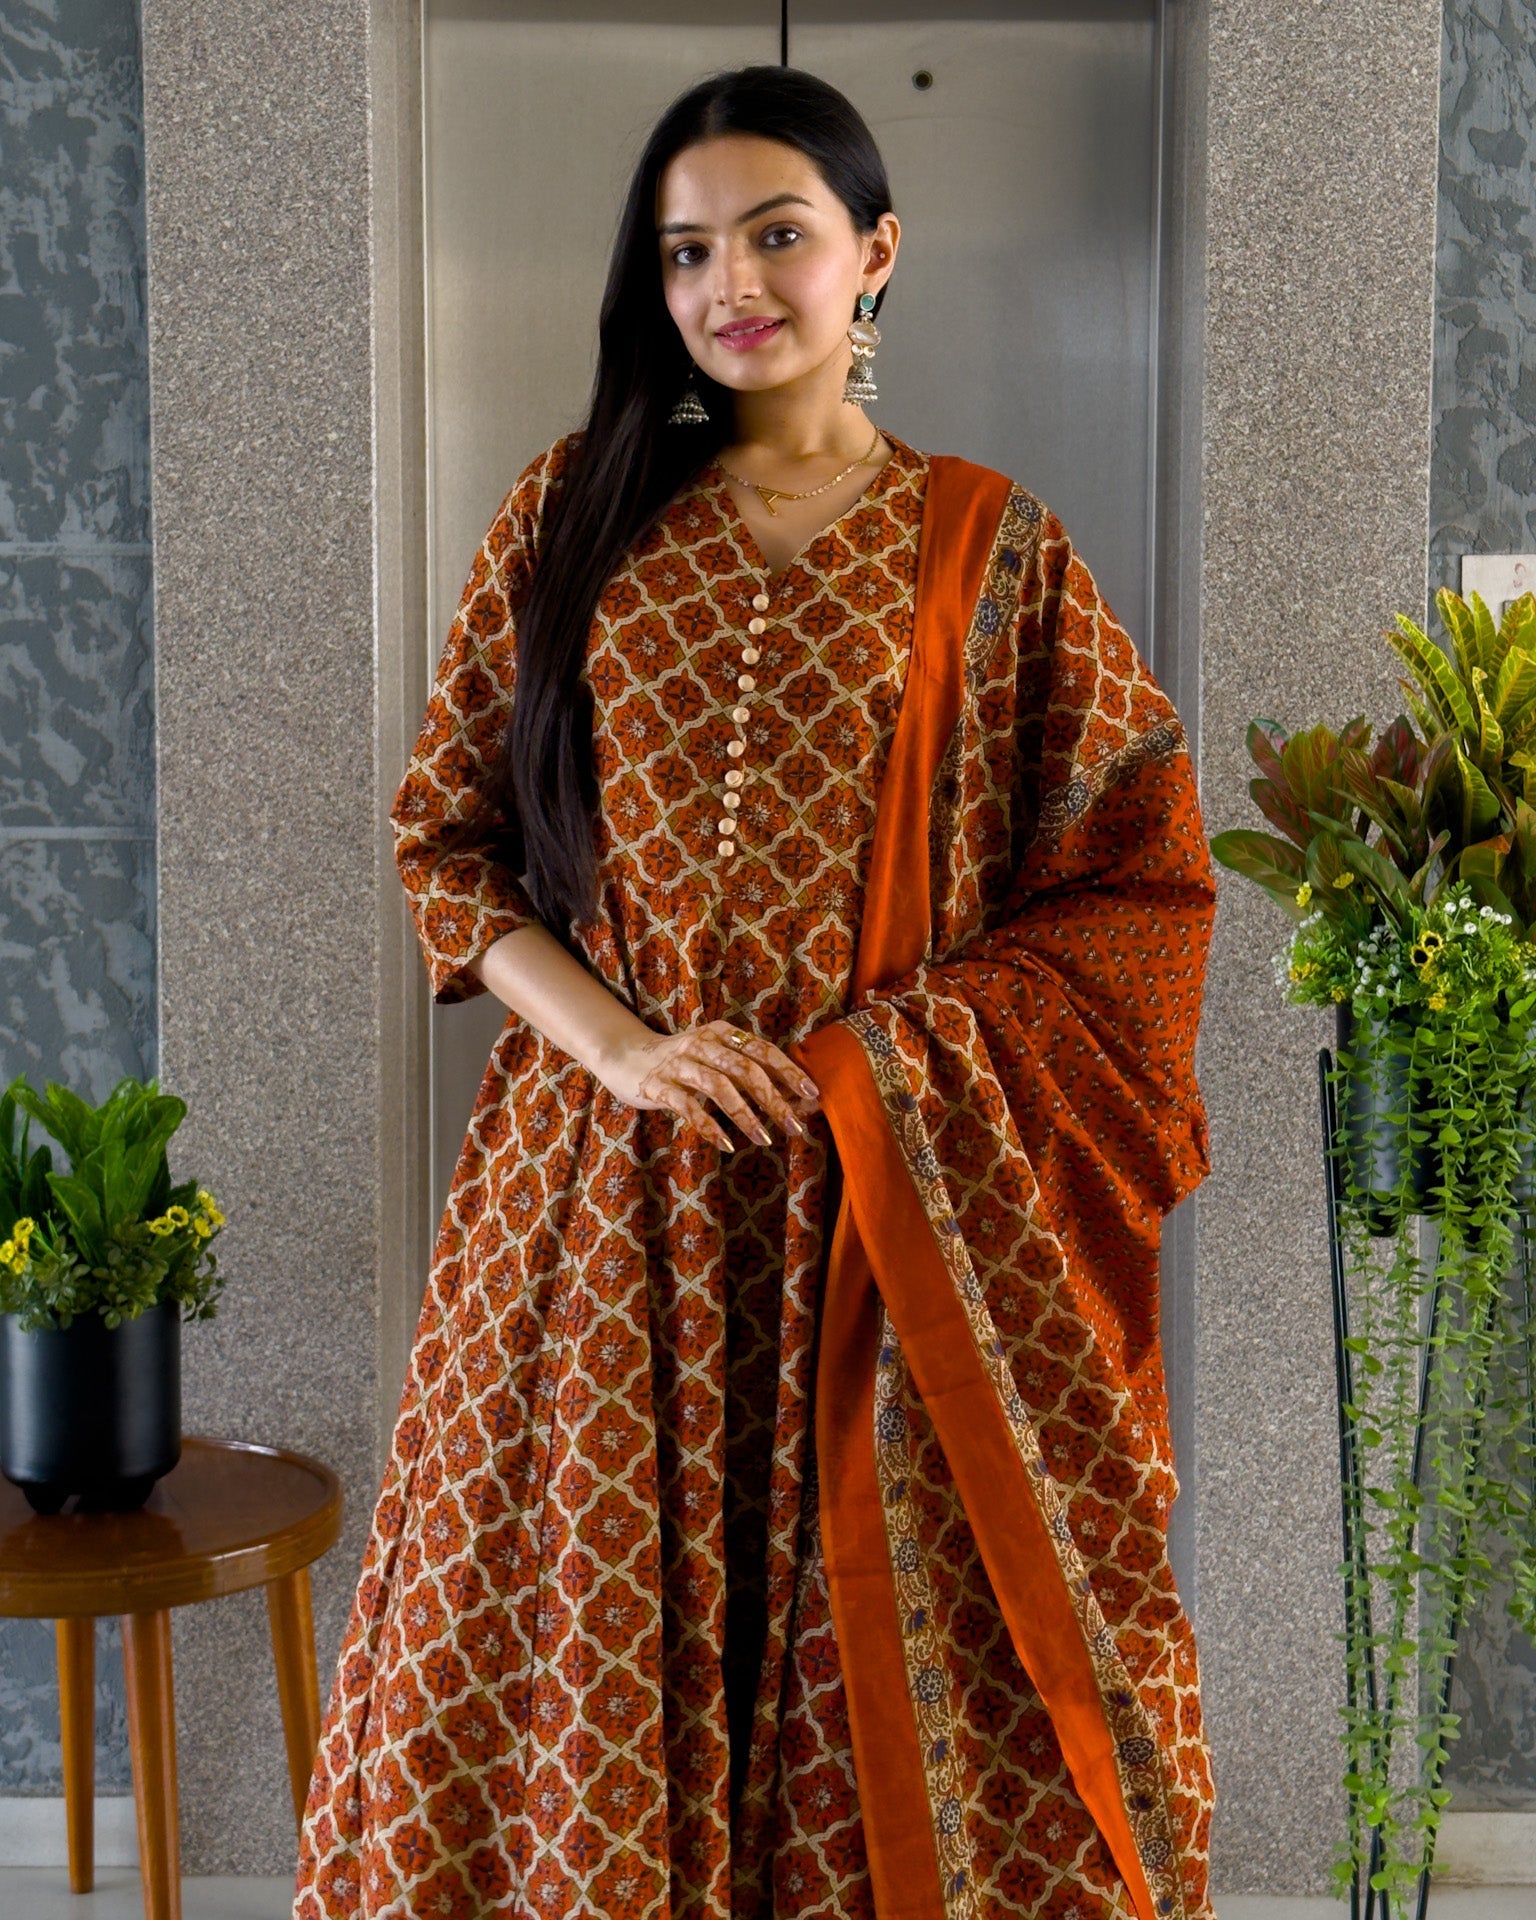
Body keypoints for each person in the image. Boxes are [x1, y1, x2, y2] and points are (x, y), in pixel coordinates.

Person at [293, 63, 1216, 1920]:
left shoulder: (991, 546)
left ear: (876, 257)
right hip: (594, 1207)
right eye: (688, 247)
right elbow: (444, 848)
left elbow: (1140, 877)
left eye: (777, 236)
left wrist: (895, 1061)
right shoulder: (574, 512)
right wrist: (624, 1049)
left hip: (879, 1206)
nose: (732, 283)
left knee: (894, 1654)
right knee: (548, 1638)